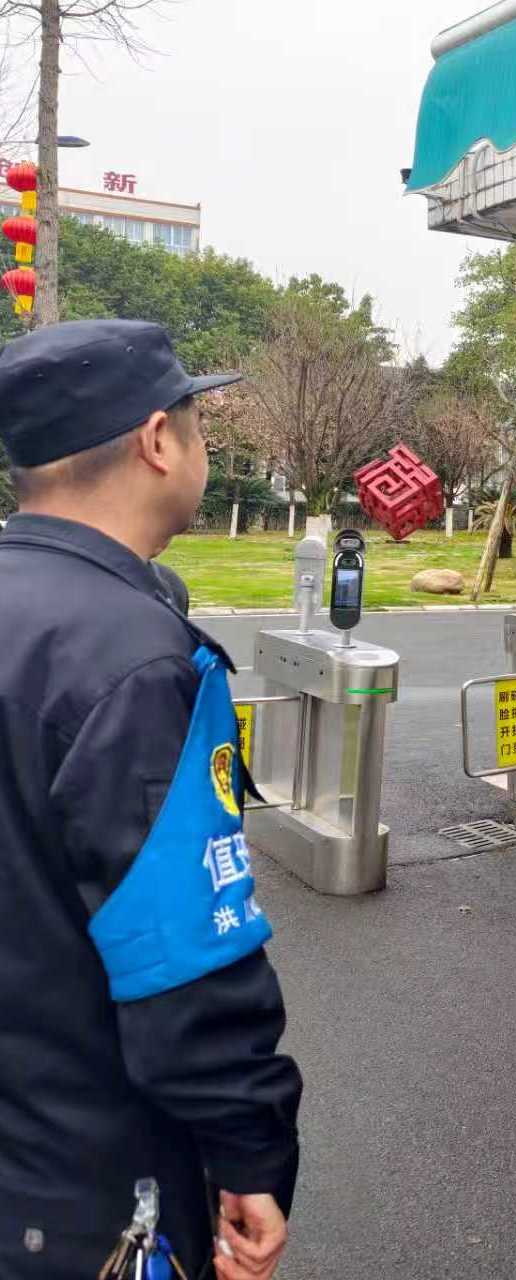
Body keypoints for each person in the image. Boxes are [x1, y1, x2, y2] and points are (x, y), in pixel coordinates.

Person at [0, 320, 301, 1280]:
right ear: (158, 440)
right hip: (85, 1179)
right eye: (197, 423)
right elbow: (182, 958)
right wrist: (250, 1151)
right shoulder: (132, 658)